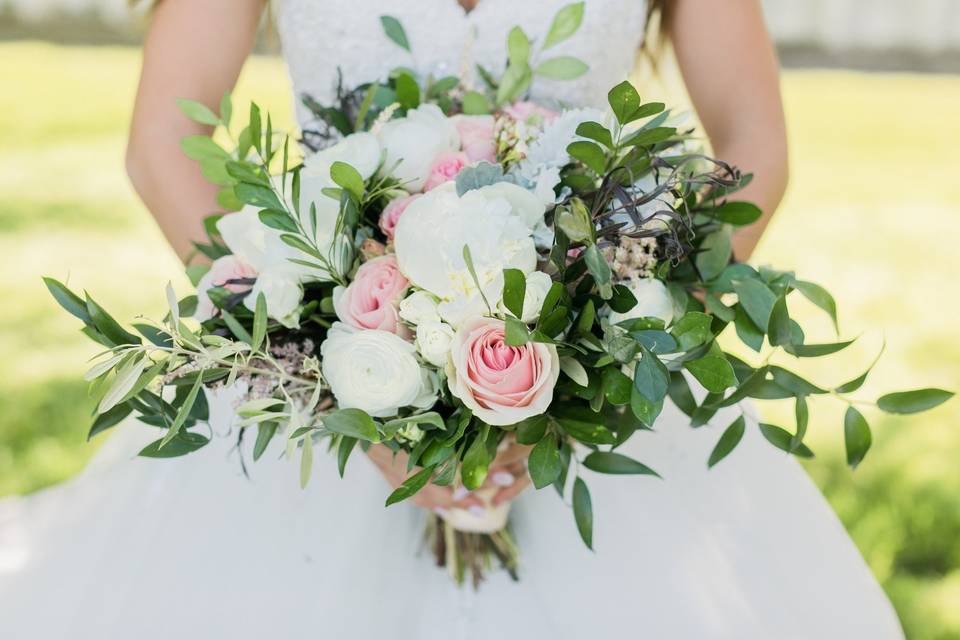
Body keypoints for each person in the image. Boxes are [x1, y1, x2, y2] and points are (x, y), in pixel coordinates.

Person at [0, 1, 905, 638]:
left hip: (594, 399)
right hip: (315, 368)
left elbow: (753, 143)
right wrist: (315, 366)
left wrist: (619, 341)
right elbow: (164, 142)